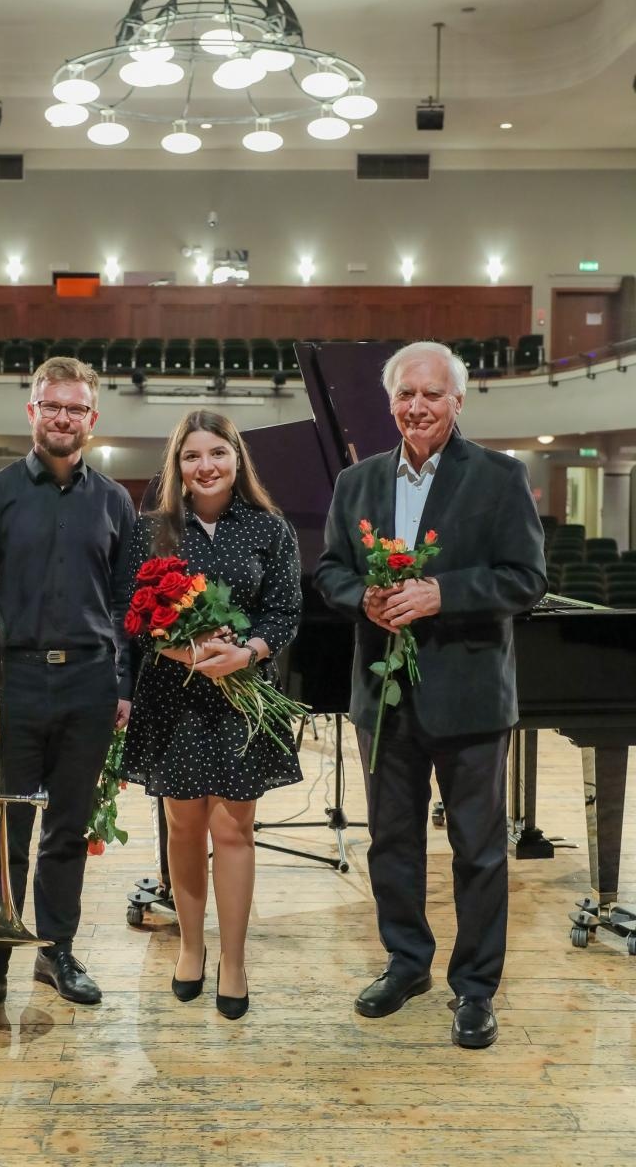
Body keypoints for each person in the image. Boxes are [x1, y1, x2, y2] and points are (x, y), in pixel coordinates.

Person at [314, 341, 546, 1049]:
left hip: (471, 698)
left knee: (477, 850)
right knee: (391, 842)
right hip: (383, 696)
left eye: (432, 396)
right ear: (391, 403)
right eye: (406, 395)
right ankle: (406, 962)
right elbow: (328, 571)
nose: (417, 407)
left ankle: (474, 988)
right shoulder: (356, 482)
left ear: (457, 402)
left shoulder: (501, 478)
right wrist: (366, 599)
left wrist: (442, 593)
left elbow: (526, 580)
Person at [0, 356, 135, 1031]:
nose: (63, 418)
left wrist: (124, 686)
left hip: (87, 684)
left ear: (92, 420)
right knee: (1, 832)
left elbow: (128, 603)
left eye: (76, 408)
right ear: (32, 413)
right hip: (10, 685)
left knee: (68, 830)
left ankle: (58, 952)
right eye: (52, 406)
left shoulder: (115, 501)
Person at [120, 409, 303, 1019]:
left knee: (234, 829)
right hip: (175, 696)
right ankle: (191, 949)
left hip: (240, 697)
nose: (205, 466)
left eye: (216, 454)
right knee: (182, 828)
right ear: (177, 466)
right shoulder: (153, 530)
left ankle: (234, 959)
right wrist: (185, 648)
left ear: (236, 460)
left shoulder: (270, 529)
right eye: (191, 456)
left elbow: (284, 611)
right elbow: (134, 614)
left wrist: (246, 652)